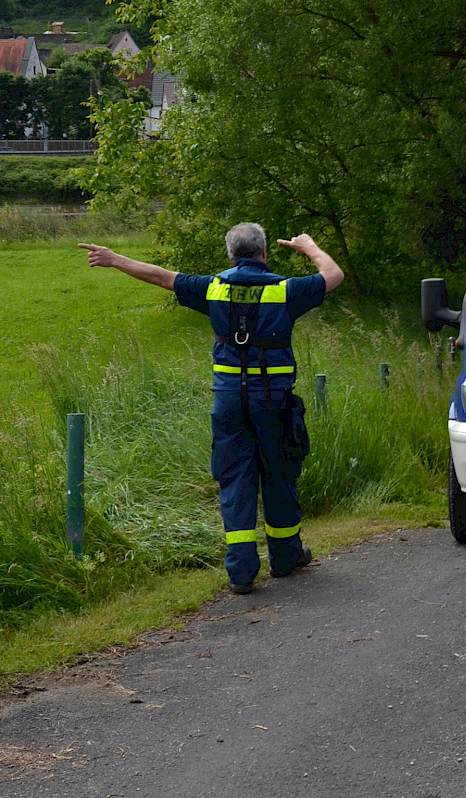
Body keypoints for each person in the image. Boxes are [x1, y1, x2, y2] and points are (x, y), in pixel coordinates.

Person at [78, 223, 344, 593]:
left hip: (230, 401)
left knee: (235, 477)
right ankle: (285, 557)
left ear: (230, 256)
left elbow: (161, 277)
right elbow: (333, 275)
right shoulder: (285, 290)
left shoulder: (212, 288)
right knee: (279, 472)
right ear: (263, 253)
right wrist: (309, 246)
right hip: (274, 401)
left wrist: (113, 259)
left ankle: (240, 572)